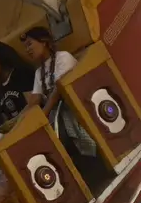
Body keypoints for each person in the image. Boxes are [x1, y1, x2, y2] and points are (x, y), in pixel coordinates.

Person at [21, 26, 105, 190]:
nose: (28, 50)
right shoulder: (39, 73)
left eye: (30, 44)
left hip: (77, 108)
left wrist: (44, 114)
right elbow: (34, 101)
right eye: (26, 47)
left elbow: (60, 88)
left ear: (44, 42)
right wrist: (20, 123)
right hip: (57, 116)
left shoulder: (63, 57)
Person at [0, 41, 35, 121]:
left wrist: (17, 120)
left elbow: (33, 104)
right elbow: (5, 116)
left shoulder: (21, 74)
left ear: (0, 56)